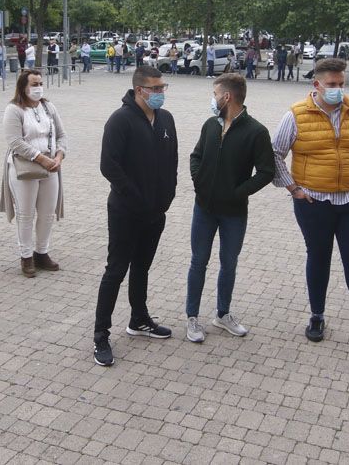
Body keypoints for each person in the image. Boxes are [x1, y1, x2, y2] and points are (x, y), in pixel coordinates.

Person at [271, 58, 349, 354]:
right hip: (314, 202)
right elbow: (275, 153)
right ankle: (317, 317)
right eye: (331, 85)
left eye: (341, 84)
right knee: (319, 257)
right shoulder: (296, 115)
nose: (338, 90)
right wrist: (293, 188)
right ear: (316, 84)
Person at [93, 66, 178, 366]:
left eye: (162, 88)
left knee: (142, 267)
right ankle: (101, 335)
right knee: (116, 271)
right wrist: (136, 197)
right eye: (154, 89)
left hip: (156, 212)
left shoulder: (165, 119)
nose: (159, 94)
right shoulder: (121, 120)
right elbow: (109, 166)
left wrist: (168, 194)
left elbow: (172, 160)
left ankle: (139, 319)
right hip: (126, 211)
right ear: (139, 90)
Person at [185, 73, 274, 343]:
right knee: (198, 261)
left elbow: (266, 171)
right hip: (204, 208)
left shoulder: (256, 132)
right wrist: (199, 180)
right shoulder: (210, 125)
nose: (213, 100)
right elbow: (195, 156)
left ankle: (222, 314)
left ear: (227, 96)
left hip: (234, 212)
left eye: (215, 95)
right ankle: (192, 317)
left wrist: (238, 193)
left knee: (229, 263)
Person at [1, 69, 68, 276]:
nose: (38, 88)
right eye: (34, 84)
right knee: (26, 213)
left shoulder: (48, 107)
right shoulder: (14, 109)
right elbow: (15, 141)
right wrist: (41, 158)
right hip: (25, 167)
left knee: (47, 213)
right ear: (23, 87)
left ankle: (42, 252)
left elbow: (62, 135)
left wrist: (58, 156)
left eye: (40, 83)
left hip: (51, 167)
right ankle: (26, 256)